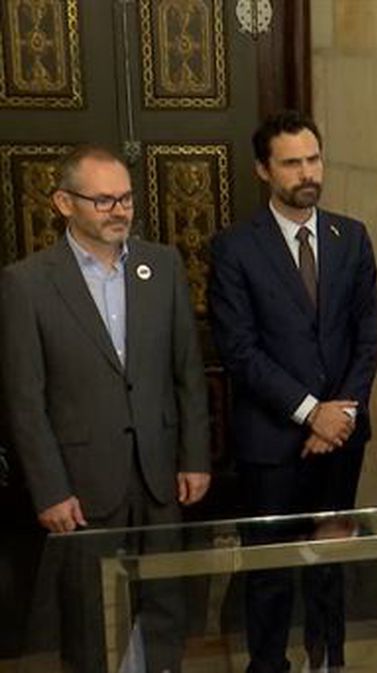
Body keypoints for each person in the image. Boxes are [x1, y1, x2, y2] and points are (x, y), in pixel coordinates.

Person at [0, 144, 211, 672]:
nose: (120, 210)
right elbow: (24, 399)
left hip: (160, 474)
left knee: (165, 606)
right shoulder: (26, 283)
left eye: (126, 198)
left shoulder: (161, 266)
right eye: (104, 200)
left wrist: (195, 457)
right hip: (81, 483)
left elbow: (187, 372)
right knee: (90, 618)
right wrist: (49, 488)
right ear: (64, 203)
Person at [208, 110, 377, 673]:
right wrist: (312, 415)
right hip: (272, 444)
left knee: (330, 565)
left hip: (343, 439)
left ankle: (330, 662)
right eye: (291, 163)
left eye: (313, 158)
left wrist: (342, 416)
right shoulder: (234, 249)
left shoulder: (350, 237)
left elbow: (367, 337)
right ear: (264, 170)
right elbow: (239, 351)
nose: (307, 172)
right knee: (271, 573)